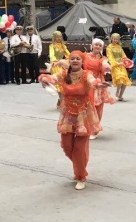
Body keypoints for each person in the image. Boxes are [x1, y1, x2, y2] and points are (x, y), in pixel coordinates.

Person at [38, 51, 110, 190]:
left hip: (84, 114)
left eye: (78, 59)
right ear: (69, 61)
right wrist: (44, 79)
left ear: (82, 61)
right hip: (68, 114)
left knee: (79, 149)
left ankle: (81, 176)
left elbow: (92, 81)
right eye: (72, 59)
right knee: (66, 146)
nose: (75, 60)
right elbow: (51, 78)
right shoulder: (64, 74)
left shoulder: (86, 74)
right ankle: (79, 166)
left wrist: (99, 84)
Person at [82, 39, 115, 139]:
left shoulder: (102, 59)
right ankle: (85, 128)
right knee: (85, 107)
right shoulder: (84, 56)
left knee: (97, 108)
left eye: (100, 45)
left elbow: (105, 64)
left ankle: (94, 130)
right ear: (92, 45)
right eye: (96, 44)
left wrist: (107, 67)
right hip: (86, 82)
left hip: (98, 85)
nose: (98, 46)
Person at [106, 33, 132, 101]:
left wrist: (127, 60)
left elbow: (123, 55)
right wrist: (116, 63)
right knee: (120, 78)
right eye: (114, 39)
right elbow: (110, 57)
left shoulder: (119, 47)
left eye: (117, 39)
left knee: (125, 80)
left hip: (122, 64)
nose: (115, 40)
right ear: (111, 39)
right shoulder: (109, 47)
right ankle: (117, 91)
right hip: (115, 65)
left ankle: (120, 95)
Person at [49, 31, 70, 104]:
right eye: (57, 37)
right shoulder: (52, 46)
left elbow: (68, 54)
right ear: (54, 37)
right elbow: (51, 55)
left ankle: (62, 100)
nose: (59, 38)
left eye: (60, 37)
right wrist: (54, 61)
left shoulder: (63, 46)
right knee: (59, 83)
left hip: (62, 64)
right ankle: (62, 101)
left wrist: (72, 58)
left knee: (65, 82)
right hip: (55, 65)